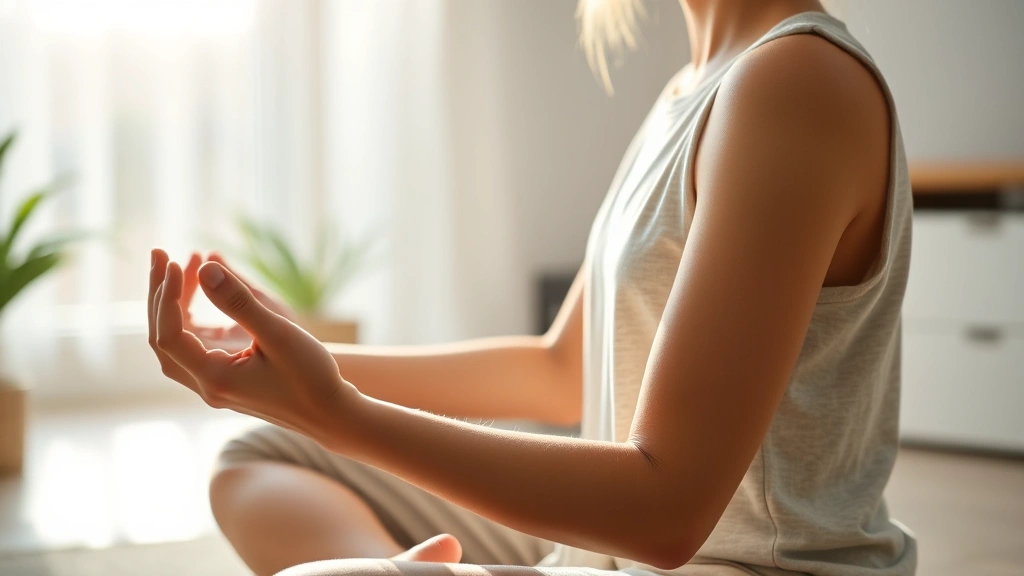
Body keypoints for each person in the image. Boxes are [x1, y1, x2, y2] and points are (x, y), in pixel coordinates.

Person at [146, 0, 918, 575]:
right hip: (607, 553)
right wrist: (299, 366)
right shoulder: (695, 86)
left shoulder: (796, 83)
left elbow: (669, 512)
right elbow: (560, 370)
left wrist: (343, 414)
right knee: (259, 453)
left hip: (735, 565)